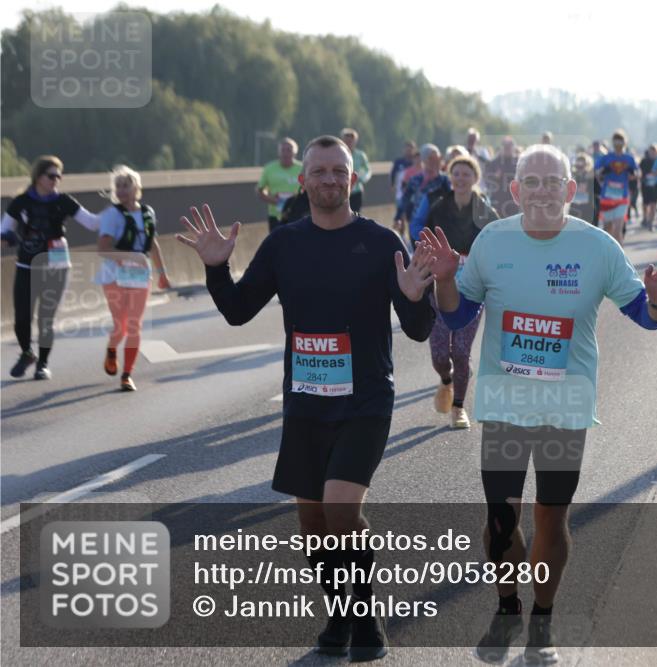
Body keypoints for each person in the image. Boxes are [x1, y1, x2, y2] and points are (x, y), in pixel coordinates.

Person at [421, 144, 657, 666]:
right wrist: (448, 280)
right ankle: (506, 609)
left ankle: (542, 624)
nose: (542, 190)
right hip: (504, 401)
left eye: (553, 181)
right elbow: (456, 319)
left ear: (570, 190)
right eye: (532, 182)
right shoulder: (492, 241)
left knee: (551, 517)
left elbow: (648, 316)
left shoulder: (598, 247)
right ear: (515, 191)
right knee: (501, 518)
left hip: (566, 405)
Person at [177, 135, 435, 660]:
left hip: (366, 400)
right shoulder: (283, 245)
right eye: (319, 171)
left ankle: (365, 620)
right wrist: (214, 267)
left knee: (341, 511)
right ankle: (339, 614)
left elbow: (417, 328)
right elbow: (237, 311)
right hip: (306, 403)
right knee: (313, 527)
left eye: (338, 171)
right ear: (302, 179)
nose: (329, 180)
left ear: (353, 178)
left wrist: (416, 297)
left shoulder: (383, 242)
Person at [2, 155, 101, 379]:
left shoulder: (64, 201)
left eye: (59, 176)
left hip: (56, 266)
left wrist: (117, 212)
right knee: (22, 318)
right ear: (38, 176)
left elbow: (92, 223)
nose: (56, 180)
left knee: (46, 317)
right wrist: (7, 238)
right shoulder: (20, 202)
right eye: (51, 175)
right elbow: (3, 230)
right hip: (26, 265)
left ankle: (42, 365)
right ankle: (27, 353)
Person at [424, 155, 499, 429]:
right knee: (440, 355)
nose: (461, 178)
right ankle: (446, 380)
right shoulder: (439, 208)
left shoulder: (485, 212)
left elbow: (498, 242)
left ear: (475, 178)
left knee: (462, 351)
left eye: (466, 174)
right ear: (450, 176)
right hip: (441, 287)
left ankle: (458, 408)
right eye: (456, 173)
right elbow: (425, 241)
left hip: (471, 289)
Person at [94, 166, 171, 391]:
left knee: (135, 325)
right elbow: (103, 249)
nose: (121, 190)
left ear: (137, 188)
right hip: (114, 275)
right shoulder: (111, 215)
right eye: (118, 186)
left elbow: (153, 245)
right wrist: (127, 256)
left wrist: (162, 274)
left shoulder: (148, 213)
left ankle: (127, 374)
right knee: (122, 325)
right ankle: (111, 349)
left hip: (139, 274)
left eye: (126, 185)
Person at [396, 144, 447, 246]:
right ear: (423, 160)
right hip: (418, 226)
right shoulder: (415, 180)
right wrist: (397, 217)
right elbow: (405, 199)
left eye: (437, 158)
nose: (435, 161)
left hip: (439, 225)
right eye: (431, 159)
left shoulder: (445, 180)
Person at [594, 130, 638, 245]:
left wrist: (632, 174)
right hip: (607, 196)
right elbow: (596, 171)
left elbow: (637, 173)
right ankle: (609, 255)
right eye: (616, 141)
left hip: (622, 197)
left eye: (621, 141)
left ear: (625, 142)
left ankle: (620, 260)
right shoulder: (607, 158)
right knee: (608, 229)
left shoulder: (629, 159)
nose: (618, 143)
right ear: (613, 142)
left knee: (618, 229)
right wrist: (602, 172)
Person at [256, 137, 302, 233]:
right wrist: (275, 201)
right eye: (282, 150)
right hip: (275, 215)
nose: (285, 153)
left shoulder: (302, 169)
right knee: (277, 245)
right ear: (278, 152)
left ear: (294, 153)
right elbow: (260, 190)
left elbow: (308, 189)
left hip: (297, 214)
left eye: (288, 150)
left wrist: (296, 199)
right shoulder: (269, 169)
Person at [487, 136, 520, 219]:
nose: (507, 148)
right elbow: (487, 181)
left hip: (514, 201)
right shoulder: (494, 162)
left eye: (509, 146)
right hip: (498, 201)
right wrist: (495, 177)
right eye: (505, 146)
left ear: (513, 147)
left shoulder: (519, 161)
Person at [390, 140, 418, 234]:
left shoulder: (415, 163)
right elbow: (393, 174)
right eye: (407, 148)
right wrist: (392, 184)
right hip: (400, 193)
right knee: (400, 216)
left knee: (410, 217)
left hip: (412, 195)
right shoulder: (398, 162)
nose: (409, 151)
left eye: (411, 149)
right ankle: (402, 237)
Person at [341, 128, 372, 213]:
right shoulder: (338, 154)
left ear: (355, 141)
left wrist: (362, 179)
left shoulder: (360, 155)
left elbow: (367, 170)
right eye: (346, 140)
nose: (349, 143)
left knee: (355, 215)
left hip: (356, 191)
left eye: (351, 141)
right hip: (341, 190)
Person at [569, 152, 596, 224]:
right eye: (578, 165)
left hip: (587, 209)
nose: (580, 167)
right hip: (573, 207)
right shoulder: (572, 176)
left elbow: (598, 191)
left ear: (587, 165)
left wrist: (590, 180)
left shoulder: (591, 177)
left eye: (582, 165)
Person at [639, 145, 657, 230]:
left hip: (655, 186)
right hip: (645, 185)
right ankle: (645, 218)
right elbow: (639, 171)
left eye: (654, 151)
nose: (652, 153)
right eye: (651, 151)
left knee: (654, 204)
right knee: (645, 203)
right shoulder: (644, 161)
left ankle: (651, 222)